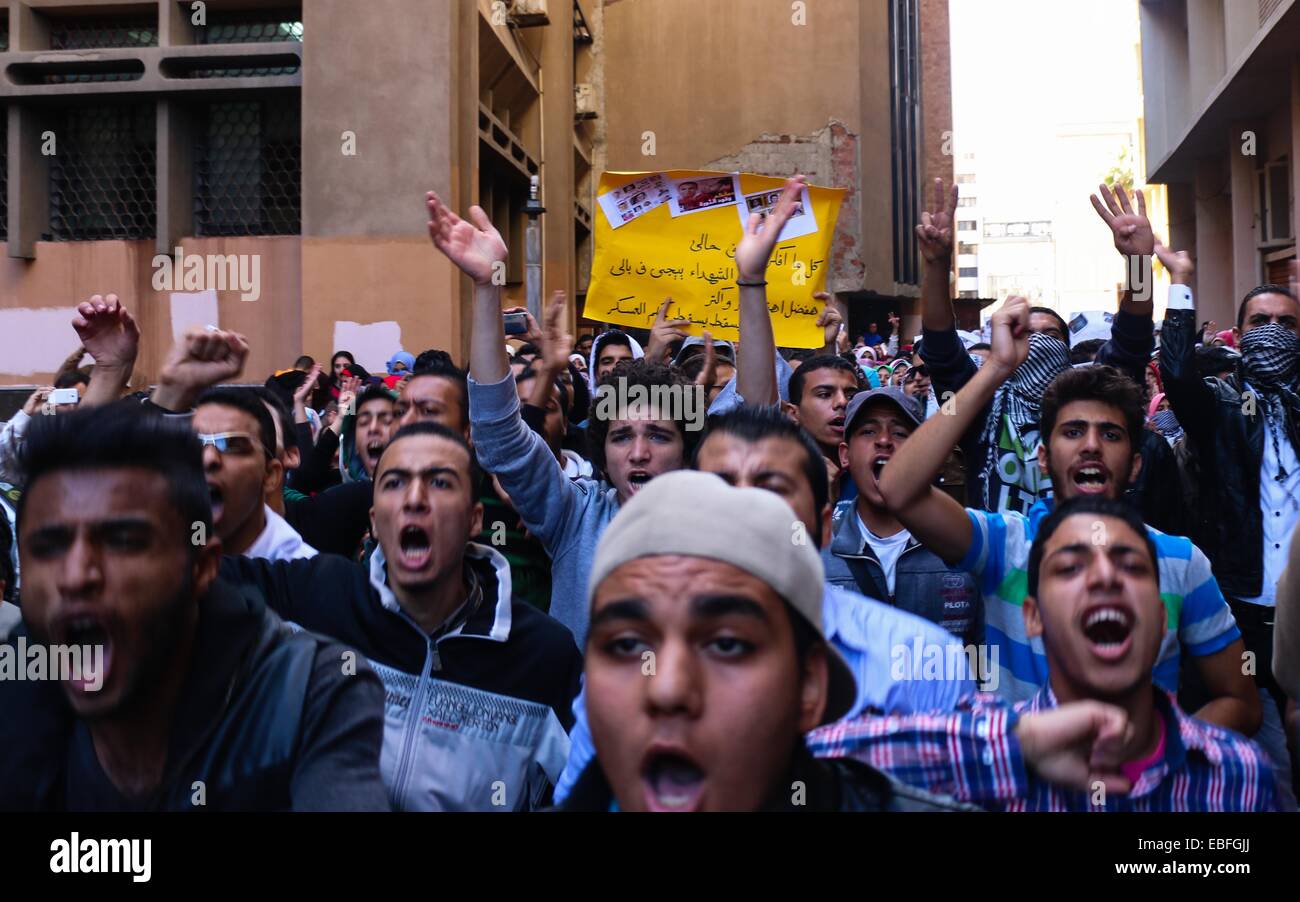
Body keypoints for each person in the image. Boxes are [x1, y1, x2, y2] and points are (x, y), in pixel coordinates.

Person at [429, 176, 808, 644]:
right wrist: (487, 289)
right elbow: (500, 436)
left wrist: (751, 282)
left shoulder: (722, 513)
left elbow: (760, 426)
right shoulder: (575, 515)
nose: (639, 453)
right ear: (602, 451)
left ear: (689, 448)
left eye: (660, 435)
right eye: (622, 436)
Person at [553, 404, 977, 801]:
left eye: (770, 488)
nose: (743, 509)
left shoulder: (923, 657)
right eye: (719, 488)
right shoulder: (628, 662)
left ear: (824, 526)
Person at [878, 296, 1259, 736]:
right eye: (1073, 431)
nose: (1091, 445)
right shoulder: (1005, 543)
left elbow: (1240, 702)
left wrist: (1156, 755)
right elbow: (899, 489)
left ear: (1135, 464)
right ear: (1043, 457)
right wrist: (997, 369)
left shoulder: (1181, 561)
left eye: (1110, 434)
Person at [1, 405, 388, 811]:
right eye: (48, 546)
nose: (76, 575)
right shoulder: (23, 668)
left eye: (122, 540)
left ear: (202, 567)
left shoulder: (305, 692)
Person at [809, 497, 1278, 811]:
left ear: (1160, 617)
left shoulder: (1240, 776)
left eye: (1129, 564)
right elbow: (804, 768)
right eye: (1072, 566)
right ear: (1032, 616)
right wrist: (1016, 745)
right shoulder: (970, 764)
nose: (1104, 579)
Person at [221, 422, 582, 810]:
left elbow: (593, 791)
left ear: (474, 519)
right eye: (394, 483)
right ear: (375, 520)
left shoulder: (543, 656)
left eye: (440, 483)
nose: (414, 499)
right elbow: (179, 581)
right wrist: (168, 404)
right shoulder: (317, 597)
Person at [1161, 269, 1300, 800]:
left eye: (1286, 324)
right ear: (1238, 337)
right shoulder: (1221, 406)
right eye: (1260, 322)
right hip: (1240, 612)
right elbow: (1175, 372)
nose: (1272, 331)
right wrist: (1178, 281)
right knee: (1261, 765)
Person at [825, 387, 982, 645]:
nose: (884, 440)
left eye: (899, 433)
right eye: (868, 431)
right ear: (845, 455)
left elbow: (986, 663)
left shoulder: (965, 546)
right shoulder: (818, 551)